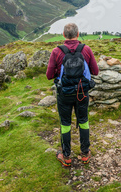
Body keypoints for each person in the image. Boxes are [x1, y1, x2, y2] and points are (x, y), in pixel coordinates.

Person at [46, 23, 99, 167]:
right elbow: (95, 71)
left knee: (65, 123)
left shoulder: (56, 52)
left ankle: (66, 156)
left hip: (64, 94)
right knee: (83, 120)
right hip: (82, 92)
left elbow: (49, 75)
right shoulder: (86, 49)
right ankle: (85, 153)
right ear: (78, 34)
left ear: (63, 35)